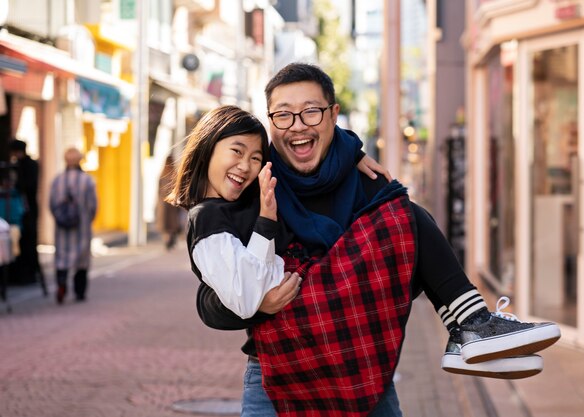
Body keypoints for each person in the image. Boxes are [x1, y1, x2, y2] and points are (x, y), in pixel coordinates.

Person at [194, 63, 561, 417]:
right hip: (277, 375)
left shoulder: (368, 184)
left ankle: (470, 326)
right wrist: (261, 303)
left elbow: (405, 265)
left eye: (311, 112)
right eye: (283, 114)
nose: (297, 126)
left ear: (333, 114)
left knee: (408, 214)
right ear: (270, 121)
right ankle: (469, 327)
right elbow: (208, 300)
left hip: (363, 370)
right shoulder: (255, 187)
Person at [169, 105, 389, 320]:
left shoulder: (251, 198)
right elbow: (245, 297)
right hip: (290, 334)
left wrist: (354, 154)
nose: (245, 166)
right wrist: (266, 221)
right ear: (208, 146)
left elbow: (299, 153)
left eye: (255, 158)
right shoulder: (206, 216)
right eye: (237, 151)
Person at [49, 147, 97, 304]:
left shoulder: (57, 180)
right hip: (81, 227)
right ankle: (79, 292)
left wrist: (59, 217)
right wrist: (88, 219)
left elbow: (51, 204)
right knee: (81, 261)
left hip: (62, 227)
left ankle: (62, 283)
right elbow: (93, 205)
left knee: (62, 257)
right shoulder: (87, 180)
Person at [8, 139, 43, 286]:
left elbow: (28, 186)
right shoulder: (16, 166)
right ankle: (19, 273)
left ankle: (29, 273)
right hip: (20, 210)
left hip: (28, 210)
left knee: (28, 240)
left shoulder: (29, 166)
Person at [156, 156, 184, 250]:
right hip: (172, 202)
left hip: (163, 203)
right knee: (173, 222)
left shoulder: (162, 174)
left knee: (165, 224)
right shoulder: (175, 175)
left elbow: (158, 190)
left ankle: (167, 240)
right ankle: (171, 240)